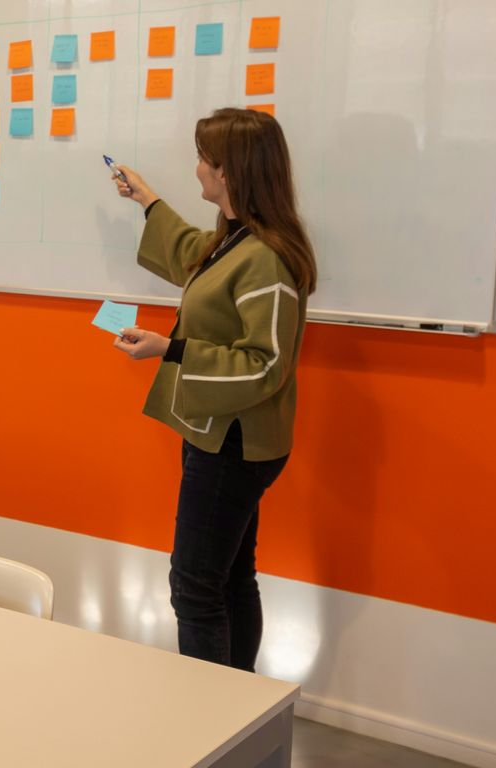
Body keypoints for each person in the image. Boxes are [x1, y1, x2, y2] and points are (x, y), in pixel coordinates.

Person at [109, 108, 317, 671]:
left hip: (234, 445)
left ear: (228, 172)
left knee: (196, 587)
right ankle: (239, 706)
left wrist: (168, 348)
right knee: (229, 578)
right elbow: (192, 257)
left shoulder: (266, 260)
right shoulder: (235, 240)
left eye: (204, 158)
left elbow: (263, 364)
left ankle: (212, 718)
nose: (196, 167)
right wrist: (147, 200)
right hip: (223, 436)